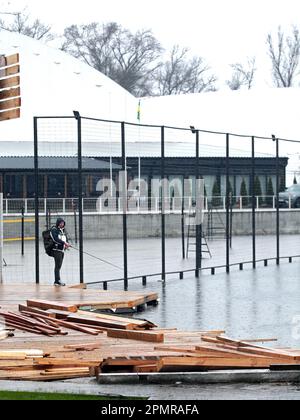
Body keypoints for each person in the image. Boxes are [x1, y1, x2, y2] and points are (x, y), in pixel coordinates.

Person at [50, 218, 71, 287]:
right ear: (58, 223)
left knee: (59, 266)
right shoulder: (54, 230)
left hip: (62, 250)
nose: (62, 224)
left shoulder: (62, 230)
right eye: (61, 223)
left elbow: (65, 238)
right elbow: (55, 239)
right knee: (57, 265)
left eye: (63, 223)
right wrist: (64, 243)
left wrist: (66, 245)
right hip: (56, 250)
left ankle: (58, 281)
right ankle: (57, 281)